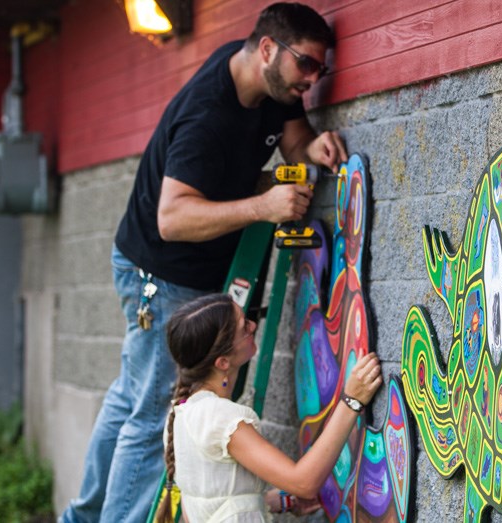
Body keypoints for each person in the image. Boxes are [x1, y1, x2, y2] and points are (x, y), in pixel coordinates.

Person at [60, 3, 347, 522]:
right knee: (152, 419)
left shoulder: (269, 88)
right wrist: (262, 206)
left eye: (321, 69)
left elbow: (296, 143)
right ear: (267, 49)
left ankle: (79, 518)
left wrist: (315, 148)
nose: (314, 78)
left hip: (172, 270)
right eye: (307, 64)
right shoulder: (208, 114)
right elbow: (172, 217)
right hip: (162, 275)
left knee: (131, 402)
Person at [155, 293, 382, 522]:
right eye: (244, 327)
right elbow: (304, 483)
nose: (253, 326)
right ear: (223, 362)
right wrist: (352, 400)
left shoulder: (182, 411)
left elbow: (205, 503)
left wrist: (271, 500)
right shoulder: (220, 419)